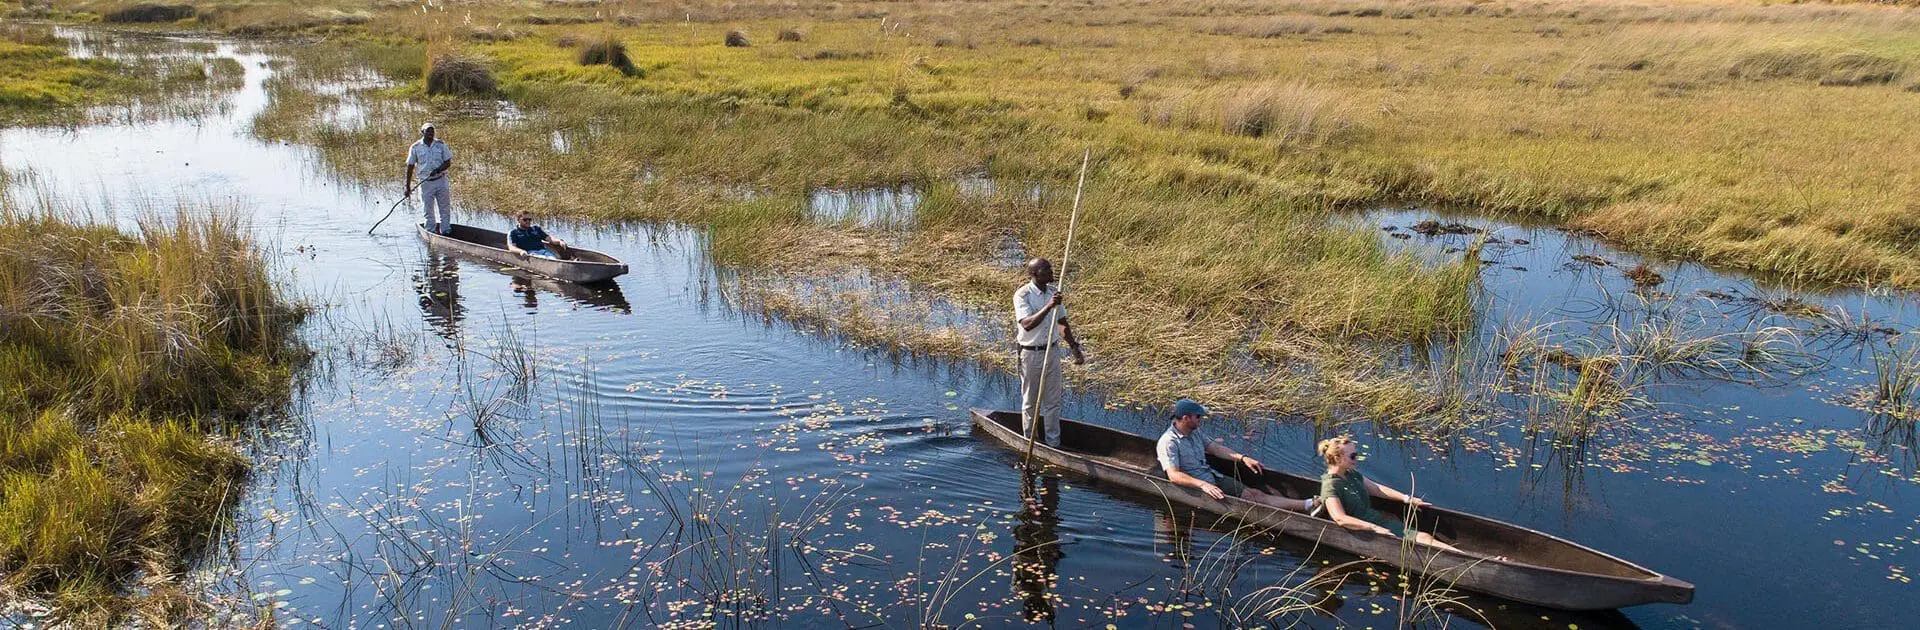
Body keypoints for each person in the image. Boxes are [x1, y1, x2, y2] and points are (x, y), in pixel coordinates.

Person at [1157, 399, 1316, 512]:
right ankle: (1307, 505)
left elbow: (1215, 448)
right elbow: (1174, 475)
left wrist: (1243, 458)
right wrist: (1202, 485)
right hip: (1198, 486)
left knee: (1255, 495)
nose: (1201, 420)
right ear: (1186, 418)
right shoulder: (1168, 442)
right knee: (1255, 499)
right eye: (1198, 416)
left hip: (1212, 477)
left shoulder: (1195, 432)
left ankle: (1306, 504)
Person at [1316, 436, 1465, 553]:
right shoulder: (1330, 485)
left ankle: (1463, 557)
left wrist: (1407, 498)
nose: (1356, 459)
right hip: (1363, 531)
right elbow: (1340, 518)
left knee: (1425, 537)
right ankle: (1465, 561)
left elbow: (1376, 488)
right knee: (1424, 539)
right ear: (1337, 458)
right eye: (1353, 456)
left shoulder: (1351, 474)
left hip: (1376, 522)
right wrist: (1374, 528)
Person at [1013, 257, 1084, 447]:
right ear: (1034, 274)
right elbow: (1027, 324)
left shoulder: (1054, 293)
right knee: (1030, 402)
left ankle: (1053, 444)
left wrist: (1074, 347)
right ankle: (1030, 442)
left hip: (1051, 353)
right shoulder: (1023, 295)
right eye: (1046, 269)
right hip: (1030, 354)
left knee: (1053, 402)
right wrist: (1049, 306)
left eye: (1050, 268)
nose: (1051, 272)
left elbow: (1062, 324)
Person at [405, 122, 455, 235]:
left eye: (432, 131)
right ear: (422, 132)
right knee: (428, 210)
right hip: (425, 183)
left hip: (441, 181)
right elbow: (410, 166)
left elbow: (448, 162)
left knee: (445, 208)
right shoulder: (415, 147)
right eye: (428, 131)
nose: (430, 133)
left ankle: (446, 231)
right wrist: (407, 187)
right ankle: (430, 232)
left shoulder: (441, 145)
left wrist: (438, 170)